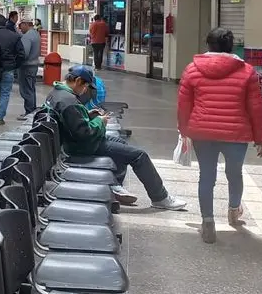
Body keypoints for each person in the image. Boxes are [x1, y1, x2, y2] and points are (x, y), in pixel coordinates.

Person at [47, 64, 187, 210]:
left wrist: (87, 115)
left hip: (73, 142)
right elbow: (85, 134)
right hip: (82, 146)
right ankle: (160, 198)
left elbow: (71, 121)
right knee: (139, 156)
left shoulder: (57, 93)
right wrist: (100, 122)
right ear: (78, 81)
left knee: (121, 144)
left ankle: (114, 185)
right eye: (86, 86)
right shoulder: (69, 101)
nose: (85, 90)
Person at [177, 27, 262, 244]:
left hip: (202, 132)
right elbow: (256, 108)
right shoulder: (247, 71)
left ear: (208, 45)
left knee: (206, 176)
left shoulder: (192, 70)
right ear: (231, 46)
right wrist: (260, 138)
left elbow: (183, 106)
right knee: (234, 173)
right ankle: (234, 211)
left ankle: (208, 223)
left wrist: (184, 131)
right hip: (236, 133)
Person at [17, 17, 41, 120]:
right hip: (34, 65)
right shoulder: (36, 34)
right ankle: (32, 111)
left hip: (26, 66)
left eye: (21, 25)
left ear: (26, 24)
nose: (20, 27)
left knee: (26, 90)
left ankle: (29, 111)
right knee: (31, 89)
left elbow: (24, 53)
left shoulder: (27, 37)